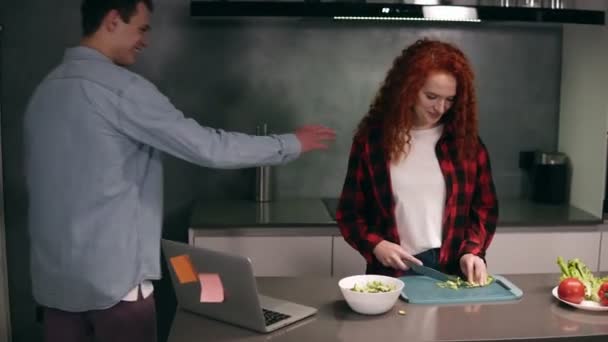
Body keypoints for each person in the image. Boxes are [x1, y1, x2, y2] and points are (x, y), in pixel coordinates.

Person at [23, 1, 335, 341]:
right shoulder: (121, 91)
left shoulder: (45, 91)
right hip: (116, 293)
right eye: (141, 28)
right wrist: (291, 143)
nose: (145, 40)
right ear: (113, 20)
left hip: (55, 292)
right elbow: (208, 147)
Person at [336, 38, 498, 286]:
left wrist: (472, 251)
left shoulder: (467, 144)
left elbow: (484, 209)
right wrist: (377, 245)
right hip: (393, 273)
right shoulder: (373, 142)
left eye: (450, 99)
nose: (440, 108)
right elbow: (349, 214)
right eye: (431, 96)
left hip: (451, 272)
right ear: (408, 89)